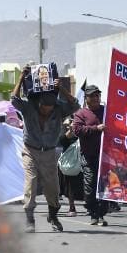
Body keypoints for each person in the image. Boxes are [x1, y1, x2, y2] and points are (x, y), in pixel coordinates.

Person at [11, 66, 79, 232]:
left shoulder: (58, 108)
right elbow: (14, 99)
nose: (46, 111)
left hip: (49, 152)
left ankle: (53, 216)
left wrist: (61, 88)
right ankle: (29, 219)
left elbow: (75, 105)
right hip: (30, 150)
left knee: (52, 187)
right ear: (38, 102)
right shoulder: (28, 108)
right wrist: (21, 77)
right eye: (43, 107)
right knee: (31, 182)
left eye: (50, 108)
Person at [71, 85, 108, 226]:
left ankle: (101, 214)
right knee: (90, 186)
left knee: (104, 187)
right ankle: (93, 212)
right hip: (89, 155)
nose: (95, 98)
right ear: (86, 99)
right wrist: (96, 129)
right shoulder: (81, 114)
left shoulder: (106, 111)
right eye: (92, 96)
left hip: (106, 156)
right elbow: (77, 130)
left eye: (97, 95)